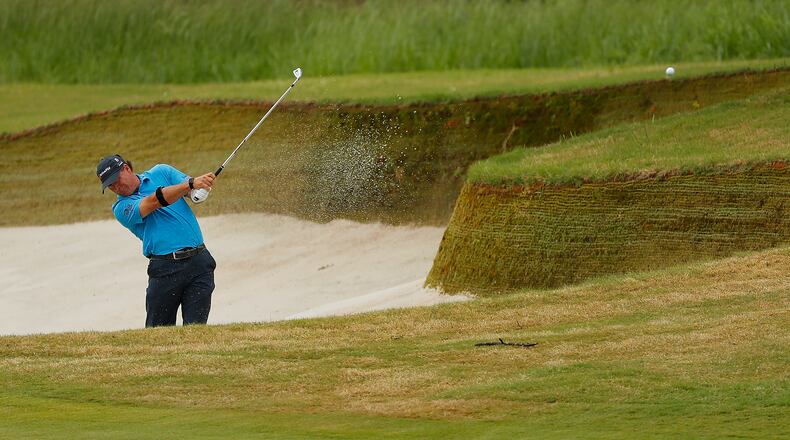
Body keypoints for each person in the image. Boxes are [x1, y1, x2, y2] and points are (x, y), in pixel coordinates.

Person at [96, 154, 217, 328]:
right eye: (110, 185)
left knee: (196, 330)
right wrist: (190, 184)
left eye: (116, 179)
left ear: (127, 169)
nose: (115, 187)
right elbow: (155, 201)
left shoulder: (162, 172)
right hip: (165, 270)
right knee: (159, 333)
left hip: (199, 263)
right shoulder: (121, 208)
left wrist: (201, 187)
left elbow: (194, 193)